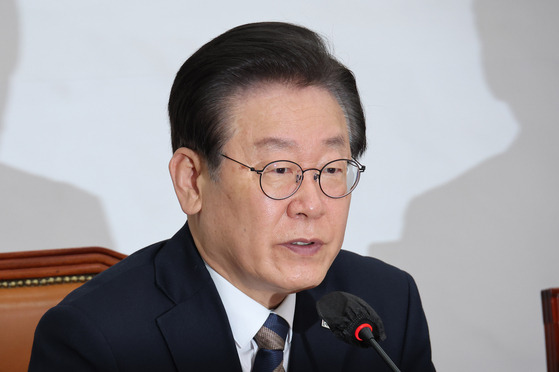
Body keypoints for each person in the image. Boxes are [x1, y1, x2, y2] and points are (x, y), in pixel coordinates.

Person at [28, 22, 435, 371]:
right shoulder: (98, 339)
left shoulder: (385, 303)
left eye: (331, 169)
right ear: (192, 181)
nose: (311, 205)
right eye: (279, 170)